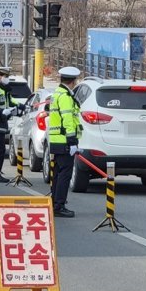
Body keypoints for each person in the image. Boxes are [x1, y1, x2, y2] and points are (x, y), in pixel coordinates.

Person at [48, 66, 83, 218]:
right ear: (73, 81)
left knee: (57, 172)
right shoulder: (65, 97)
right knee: (65, 173)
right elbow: (68, 119)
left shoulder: (57, 94)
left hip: (56, 139)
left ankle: (54, 201)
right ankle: (59, 205)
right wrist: (72, 141)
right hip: (64, 140)